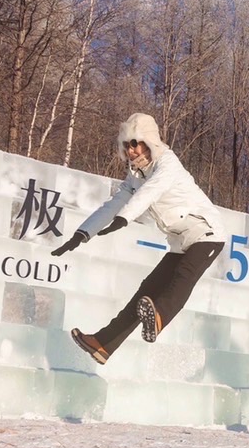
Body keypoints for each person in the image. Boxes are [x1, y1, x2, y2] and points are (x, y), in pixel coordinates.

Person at [54, 113, 225, 363]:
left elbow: (150, 193)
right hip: (180, 240)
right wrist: (82, 233)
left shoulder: (168, 163)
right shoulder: (136, 175)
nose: (131, 150)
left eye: (135, 143)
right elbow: (114, 203)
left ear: (149, 141)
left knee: (183, 277)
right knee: (147, 289)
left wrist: (125, 219)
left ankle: (159, 317)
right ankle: (103, 343)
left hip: (207, 233)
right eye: (126, 145)